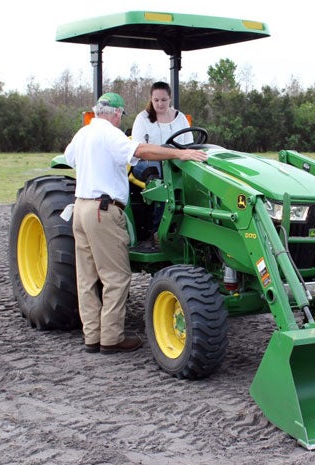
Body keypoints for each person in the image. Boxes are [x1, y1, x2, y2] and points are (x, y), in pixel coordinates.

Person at [64, 92, 207, 355]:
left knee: (86, 278)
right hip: (103, 212)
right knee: (116, 277)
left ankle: (92, 336)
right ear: (116, 113)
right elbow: (140, 150)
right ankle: (111, 338)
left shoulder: (82, 134)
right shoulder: (110, 134)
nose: (120, 119)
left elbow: (70, 159)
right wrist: (179, 154)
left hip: (82, 207)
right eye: (120, 115)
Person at [131, 81, 193, 180]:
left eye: (164, 100)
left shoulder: (180, 118)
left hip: (178, 160)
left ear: (170, 98)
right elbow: (139, 152)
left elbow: (189, 145)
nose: (160, 104)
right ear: (151, 99)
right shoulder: (142, 119)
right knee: (158, 174)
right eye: (156, 100)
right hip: (150, 161)